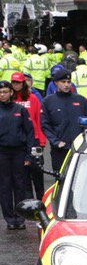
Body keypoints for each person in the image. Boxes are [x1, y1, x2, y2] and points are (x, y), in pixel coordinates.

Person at [0, 79, 34, 229]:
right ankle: (9, 220)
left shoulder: (20, 110)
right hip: (2, 153)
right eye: (0, 92)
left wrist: (28, 155)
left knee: (20, 185)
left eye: (5, 92)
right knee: (5, 186)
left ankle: (20, 219)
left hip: (18, 152)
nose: (2, 95)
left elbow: (29, 132)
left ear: (11, 93)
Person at [41, 67, 87, 172]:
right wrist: (56, 142)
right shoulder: (48, 102)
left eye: (68, 82)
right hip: (60, 149)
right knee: (60, 177)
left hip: (79, 147)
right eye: (63, 82)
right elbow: (45, 125)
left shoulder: (80, 100)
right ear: (56, 83)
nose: (66, 85)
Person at [11, 72, 45, 199]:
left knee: (37, 172)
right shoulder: (10, 100)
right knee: (23, 175)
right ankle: (29, 205)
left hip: (35, 140)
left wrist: (41, 140)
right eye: (14, 82)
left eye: (18, 82)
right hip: (20, 142)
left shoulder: (33, 98)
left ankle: (42, 200)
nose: (16, 85)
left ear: (23, 83)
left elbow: (39, 119)